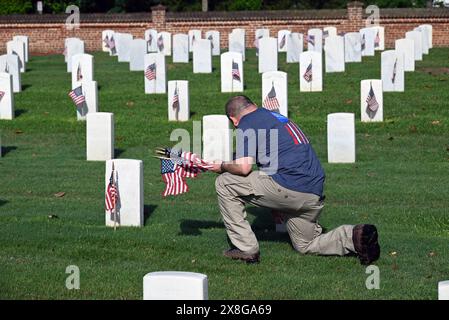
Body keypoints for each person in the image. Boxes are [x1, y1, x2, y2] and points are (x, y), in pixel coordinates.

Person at [209, 96, 380, 265]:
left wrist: (222, 166)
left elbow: (243, 168)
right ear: (254, 105)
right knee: (305, 245)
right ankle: (356, 236)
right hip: (313, 193)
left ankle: (246, 249)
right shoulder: (276, 118)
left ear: (233, 119)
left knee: (224, 182)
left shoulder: (247, 122)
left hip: (289, 186)